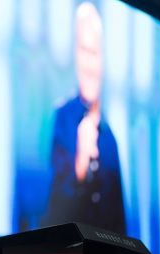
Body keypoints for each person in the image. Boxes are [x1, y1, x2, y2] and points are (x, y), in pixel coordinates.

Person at [44, 2, 125, 234]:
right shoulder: (61, 119)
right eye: (83, 51)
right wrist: (80, 162)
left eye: (94, 53)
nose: (89, 64)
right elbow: (48, 206)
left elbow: (119, 220)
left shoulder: (109, 136)